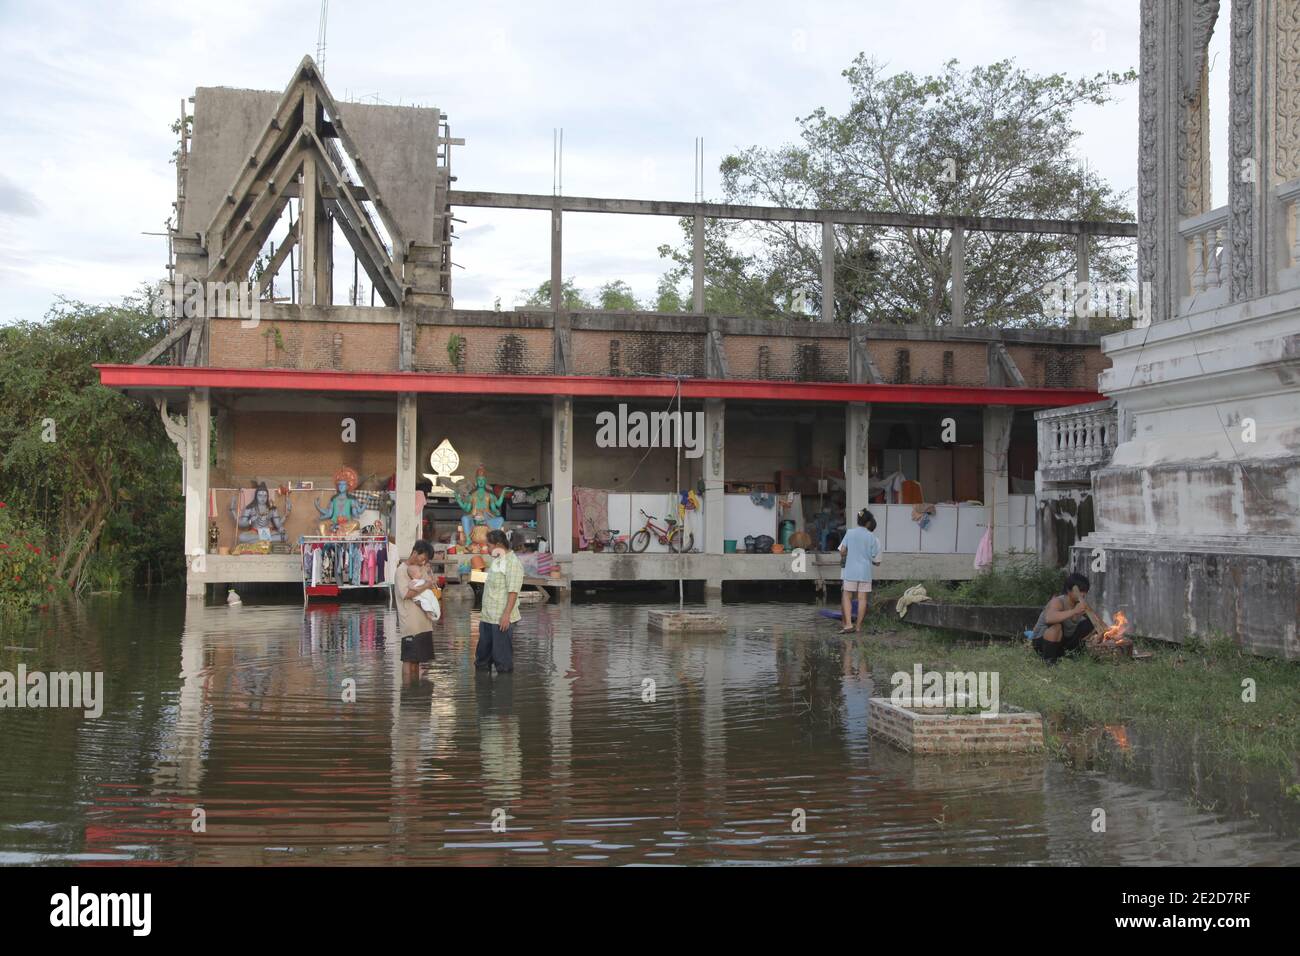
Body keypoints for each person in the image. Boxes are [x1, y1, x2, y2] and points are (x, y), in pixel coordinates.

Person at [476, 529, 523, 673]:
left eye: (489, 545)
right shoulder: (497, 560)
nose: (487, 549)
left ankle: (503, 691)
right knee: (482, 659)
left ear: (498, 545)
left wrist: (506, 615)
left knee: (502, 662)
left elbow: (513, 591)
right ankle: (483, 691)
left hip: (501, 620)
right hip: (487, 617)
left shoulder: (512, 563)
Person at [395, 539, 441, 682]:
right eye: (423, 558)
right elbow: (407, 594)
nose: (423, 561)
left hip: (424, 623)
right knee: (409, 660)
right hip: (411, 624)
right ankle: (408, 692)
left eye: (426, 560)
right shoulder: (401, 571)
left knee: (418, 660)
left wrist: (430, 578)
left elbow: (431, 586)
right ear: (415, 552)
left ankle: (416, 694)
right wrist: (426, 585)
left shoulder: (422, 570)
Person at [1031, 572, 1096, 663]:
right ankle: (1049, 660)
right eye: (1080, 591)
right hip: (1042, 642)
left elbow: (1096, 623)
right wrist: (1074, 611)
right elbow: (1049, 618)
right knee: (1056, 627)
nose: (1083, 594)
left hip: (1063, 642)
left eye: (1085, 591)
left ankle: (1072, 655)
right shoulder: (1058, 601)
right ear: (1069, 591)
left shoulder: (1080, 605)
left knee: (1089, 624)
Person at [838, 508, 882, 634]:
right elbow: (875, 558)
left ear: (858, 521)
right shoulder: (872, 537)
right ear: (868, 522)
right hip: (865, 572)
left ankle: (848, 625)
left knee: (847, 596)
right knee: (862, 598)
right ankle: (858, 627)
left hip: (850, 570)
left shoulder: (850, 533)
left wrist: (846, 554)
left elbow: (842, 551)